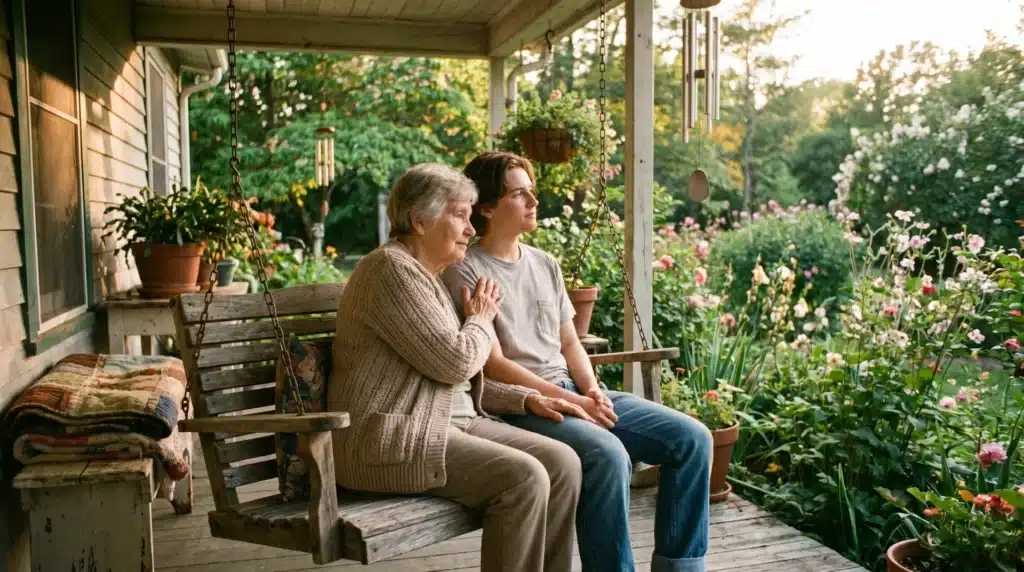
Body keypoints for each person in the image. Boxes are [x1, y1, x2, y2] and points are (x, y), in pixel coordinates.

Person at [440, 151, 714, 572]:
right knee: (608, 455)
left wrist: (590, 392)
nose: (533, 200)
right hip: (523, 405)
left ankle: (680, 567)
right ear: (489, 207)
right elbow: (492, 364)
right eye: (519, 193)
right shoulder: (467, 270)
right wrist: (573, 403)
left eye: (532, 189)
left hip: (574, 392)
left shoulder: (544, 263)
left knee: (692, 439)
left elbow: (570, 343)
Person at [328, 162, 587, 572]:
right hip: (387, 438)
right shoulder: (390, 270)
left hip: (446, 422)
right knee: (524, 478)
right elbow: (456, 361)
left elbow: (455, 377)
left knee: (564, 463)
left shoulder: (425, 275)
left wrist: (528, 397)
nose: (470, 229)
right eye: (461, 216)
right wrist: (481, 318)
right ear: (419, 221)